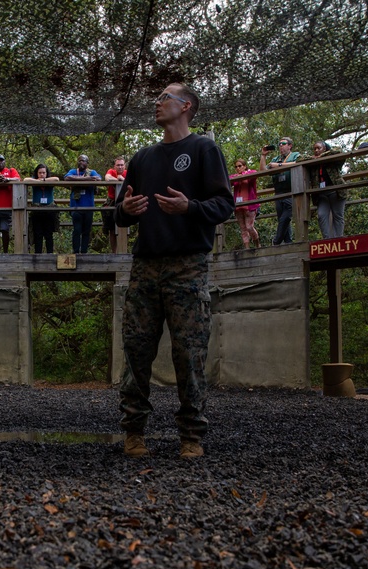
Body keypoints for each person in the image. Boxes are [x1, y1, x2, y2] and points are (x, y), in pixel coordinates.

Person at [115, 83, 234, 459]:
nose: (157, 103)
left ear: (186, 106)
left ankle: (191, 436)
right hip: (145, 265)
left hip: (188, 266)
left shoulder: (203, 149)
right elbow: (118, 211)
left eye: (164, 97)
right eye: (156, 98)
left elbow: (224, 204)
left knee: (190, 351)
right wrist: (126, 211)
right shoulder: (142, 157)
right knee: (136, 349)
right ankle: (133, 432)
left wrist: (190, 208)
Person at [303, 141, 347, 239]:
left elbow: (339, 150)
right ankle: (327, 239)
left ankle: (338, 238)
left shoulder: (331, 158)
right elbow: (299, 159)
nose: (316, 150)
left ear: (325, 149)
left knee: (338, 215)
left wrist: (323, 156)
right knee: (322, 215)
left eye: (319, 148)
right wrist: (313, 158)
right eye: (315, 149)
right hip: (321, 194)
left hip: (336, 191)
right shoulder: (313, 161)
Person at [259, 137, 300, 244]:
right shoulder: (275, 159)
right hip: (279, 192)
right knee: (282, 218)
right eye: (279, 144)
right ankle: (288, 243)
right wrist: (263, 155)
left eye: (283, 143)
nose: (281, 146)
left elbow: (298, 163)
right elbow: (263, 171)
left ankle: (276, 241)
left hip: (291, 190)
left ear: (290, 145)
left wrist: (279, 166)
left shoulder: (295, 155)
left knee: (285, 218)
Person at [65, 154, 102, 254]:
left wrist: (78, 180)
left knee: (86, 231)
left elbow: (98, 178)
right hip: (76, 206)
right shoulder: (73, 171)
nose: (81, 162)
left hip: (89, 206)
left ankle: (84, 252)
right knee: (76, 230)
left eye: (84, 161)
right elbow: (67, 178)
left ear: (87, 163)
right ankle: (75, 252)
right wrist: (87, 179)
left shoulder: (91, 172)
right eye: (80, 160)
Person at [24, 164, 59, 253]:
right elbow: (25, 180)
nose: (42, 174)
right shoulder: (34, 181)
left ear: (47, 173)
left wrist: (44, 180)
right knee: (38, 234)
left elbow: (57, 179)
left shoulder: (49, 180)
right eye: (40, 173)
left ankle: (50, 254)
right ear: (36, 173)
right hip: (37, 210)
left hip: (49, 210)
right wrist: (37, 181)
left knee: (48, 234)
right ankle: (38, 255)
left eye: (43, 172)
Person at [230, 158, 260, 249]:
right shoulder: (235, 177)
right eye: (236, 167)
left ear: (245, 166)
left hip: (249, 206)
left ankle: (257, 244)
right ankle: (247, 248)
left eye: (240, 166)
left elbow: (254, 173)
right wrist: (237, 177)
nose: (238, 168)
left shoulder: (249, 174)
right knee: (243, 228)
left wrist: (244, 174)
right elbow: (228, 179)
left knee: (249, 227)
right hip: (238, 206)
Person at [102, 156, 126, 252]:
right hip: (111, 201)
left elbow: (132, 182)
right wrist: (118, 180)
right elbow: (107, 178)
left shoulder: (127, 173)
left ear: (125, 166)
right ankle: (114, 252)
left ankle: (123, 250)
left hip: (124, 202)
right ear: (114, 166)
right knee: (112, 229)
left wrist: (123, 179)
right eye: (118, 165)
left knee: (124, 227)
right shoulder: (111, 172)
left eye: (122, 165)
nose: (120, 167)